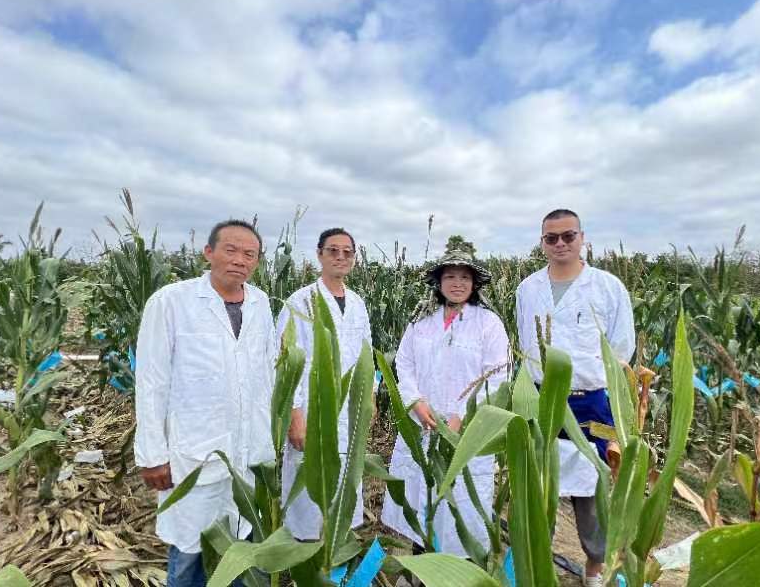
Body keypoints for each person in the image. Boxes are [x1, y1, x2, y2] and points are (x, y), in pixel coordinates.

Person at [135, 220, 276, 586]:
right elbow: (151, 383)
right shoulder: (171, 302)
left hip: (250, 454)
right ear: (209, 252)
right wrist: (152, 454)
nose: (240, 260)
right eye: (231, 250)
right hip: (195, 455)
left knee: (243, 549)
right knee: (190, 553)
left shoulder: (260, 304)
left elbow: (270, 372)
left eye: (250, 254)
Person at [515, 209, 635, 587]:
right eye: (551, 238)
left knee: (594, 486)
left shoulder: (608, 287)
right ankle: (538, 559)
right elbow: (525, 342)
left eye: (568, 236)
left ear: (582, 237)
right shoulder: (528, 289)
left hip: (591, 401)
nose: (561, 244)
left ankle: (595, 567)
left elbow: (621, 349)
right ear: (542, 243)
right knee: (540, 480)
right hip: (541, 399)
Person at [382, 249, 510, 557]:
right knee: (421, 494)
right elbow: (404, 364)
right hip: (421, 424)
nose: (457, 283)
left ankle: (460, 567)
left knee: (461, 502)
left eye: (464, 277)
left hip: (467, 431)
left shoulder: (488, 324)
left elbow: (498, 375)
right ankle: (420, 562)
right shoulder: (420, 322)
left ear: (474, 284)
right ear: (439, 282)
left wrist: (462, 416)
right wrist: (415, 401)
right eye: (450, 276)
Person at [276, 228, 372, 540]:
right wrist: (294, 415)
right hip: (311, 412)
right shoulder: (301, 301)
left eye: (347, 252)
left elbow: (366, 355)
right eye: (333, 250)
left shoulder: (357, 304)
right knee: (309, 491)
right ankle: (305, 553)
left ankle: (337, 550)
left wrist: (369, 398)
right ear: (319, 254)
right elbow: (285, 361)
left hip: (349, 414)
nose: (340, 257)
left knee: (345, 482)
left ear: (354, 258)